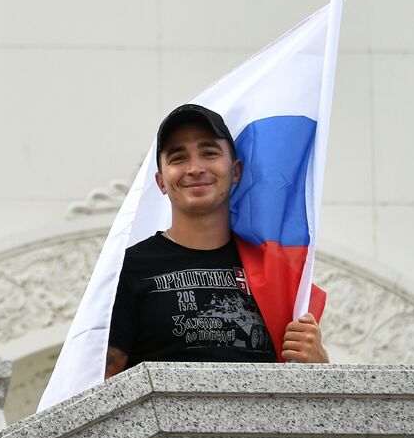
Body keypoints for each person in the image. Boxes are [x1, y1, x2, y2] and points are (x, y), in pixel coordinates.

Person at [106, 104, 328, 378]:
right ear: (161, 182)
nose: (195, 168)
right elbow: (102, 386)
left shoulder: (274, 271)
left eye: (209, 153)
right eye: (178, 158)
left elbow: (303, 391)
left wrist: (320, 366)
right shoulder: (127, 269)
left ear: (236, 171)